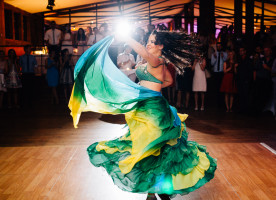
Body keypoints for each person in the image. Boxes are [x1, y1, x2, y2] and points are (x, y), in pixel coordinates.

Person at [69, 31, 217, 200]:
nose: (148, 43)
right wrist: (148, 84)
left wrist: (126, 36)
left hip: (153, 111)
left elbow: (148, 57)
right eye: (148, 40)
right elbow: (167, 81)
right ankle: (157, 189)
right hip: (144, 108)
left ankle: (153, 192)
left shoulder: (157, 60)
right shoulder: (152, 63)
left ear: (161, 46)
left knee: (152, 148)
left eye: (152, 41)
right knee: (152, 149)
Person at [235, 47, 253, 113]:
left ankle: (246, 109)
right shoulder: (239, 60)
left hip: (246, 80)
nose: (241, 52)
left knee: (246, 95)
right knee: (241, 94)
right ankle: (241, 109)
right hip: (240, 80)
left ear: (245, 51)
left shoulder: (248, 59)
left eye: (242, 51)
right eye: (240, 51)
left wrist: (248, 80)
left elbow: (250, 70)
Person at [211, 42, 227, 108]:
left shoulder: (225, 54)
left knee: (222, 88)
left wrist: (223, 57)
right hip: (215, 72)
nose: (218, 47)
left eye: (220, 46)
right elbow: (212, 63)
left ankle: (222, 103)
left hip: (221, 72)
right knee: (216, 88)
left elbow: (226, 61)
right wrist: (215, 58)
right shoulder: (213, 54)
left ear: (221, 47)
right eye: (217, 46)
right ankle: (217, 104)